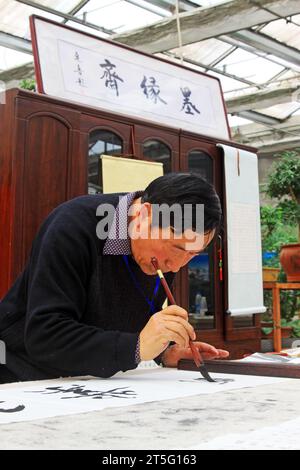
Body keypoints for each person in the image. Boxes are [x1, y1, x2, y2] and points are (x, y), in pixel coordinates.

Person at [0, 173, 229, 383]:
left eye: (193, 254)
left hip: (90, 382)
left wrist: (164, 351)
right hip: (21, 379)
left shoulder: (162, 252)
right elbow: (45, 335)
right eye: (177, 248)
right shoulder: (73, 226)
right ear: (145, 215)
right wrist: (136, 347)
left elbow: (129, 321)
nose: (177, 265)